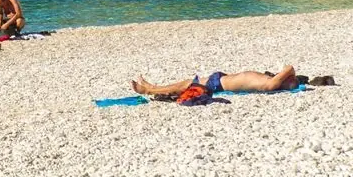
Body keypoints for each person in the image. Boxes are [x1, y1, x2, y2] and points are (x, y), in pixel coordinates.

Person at [130, 66, 326, 100]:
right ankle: (152, 88)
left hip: (219, 84)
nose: (289, 77)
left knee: (184, 85)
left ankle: (149, 88)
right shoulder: (271, 82)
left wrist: (291, 78)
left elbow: (289, 68)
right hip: (222, 79)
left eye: (290, 81)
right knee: (184, 84)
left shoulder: (271, 85)